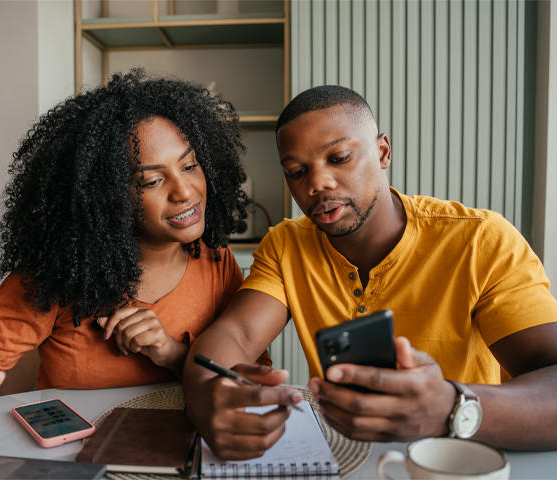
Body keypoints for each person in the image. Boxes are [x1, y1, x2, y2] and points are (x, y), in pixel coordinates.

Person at [183, 85, 557, 459]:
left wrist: (449, 407)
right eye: (297, 172)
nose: (317, 184)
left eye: (340, 157)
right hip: (348, 459)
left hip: (460, 460)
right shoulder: (287, 245)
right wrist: (211, 399)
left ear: (383, 152)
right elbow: (235, 333)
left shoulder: (481, 239)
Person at [0, 69, 270, 430]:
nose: (185, 191)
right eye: (152, 180)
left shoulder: (216, 259)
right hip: (79, 456)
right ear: (106, 195)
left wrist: (173, 354)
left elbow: (253, 373)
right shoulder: (61, 271)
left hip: (186, 446)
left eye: (189, 165)